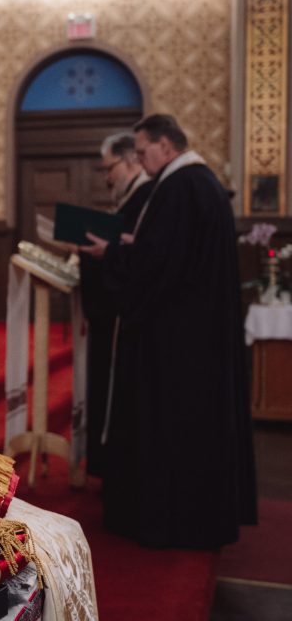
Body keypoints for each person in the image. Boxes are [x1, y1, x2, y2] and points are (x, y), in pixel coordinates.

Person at [81, 114, 256, 547]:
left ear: (165, 145)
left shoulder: (179, 187)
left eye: (143, 152)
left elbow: (157, 267)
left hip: (178, 341)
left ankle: (170, 520)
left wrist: (112, 255)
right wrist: (134, 248)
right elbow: (171, 254)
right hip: (197, 333)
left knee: (175, 430)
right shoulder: (201, 184)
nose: (140, 160)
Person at [77, 133, 153, 477]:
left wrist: (99, 255)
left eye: (110, 168)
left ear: (131, 160)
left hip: (125, 318)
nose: (107, 177)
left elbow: (135, 259)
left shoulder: (145, 196)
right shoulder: (133, 197)